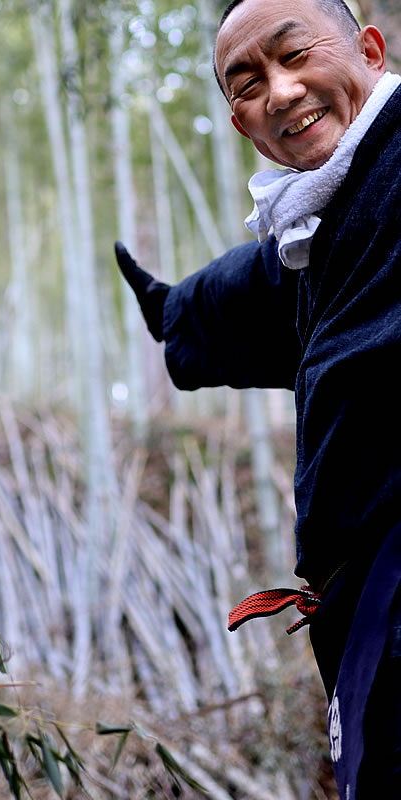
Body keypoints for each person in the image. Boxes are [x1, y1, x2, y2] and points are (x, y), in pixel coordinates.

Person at [114, 0, 401, 796]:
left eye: (295, 54)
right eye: (247, 83)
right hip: (361, 609)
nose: (279, 91)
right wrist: (173, 312)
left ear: (371, 50)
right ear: (242, 125)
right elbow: (259, 284)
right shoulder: (321, 223)